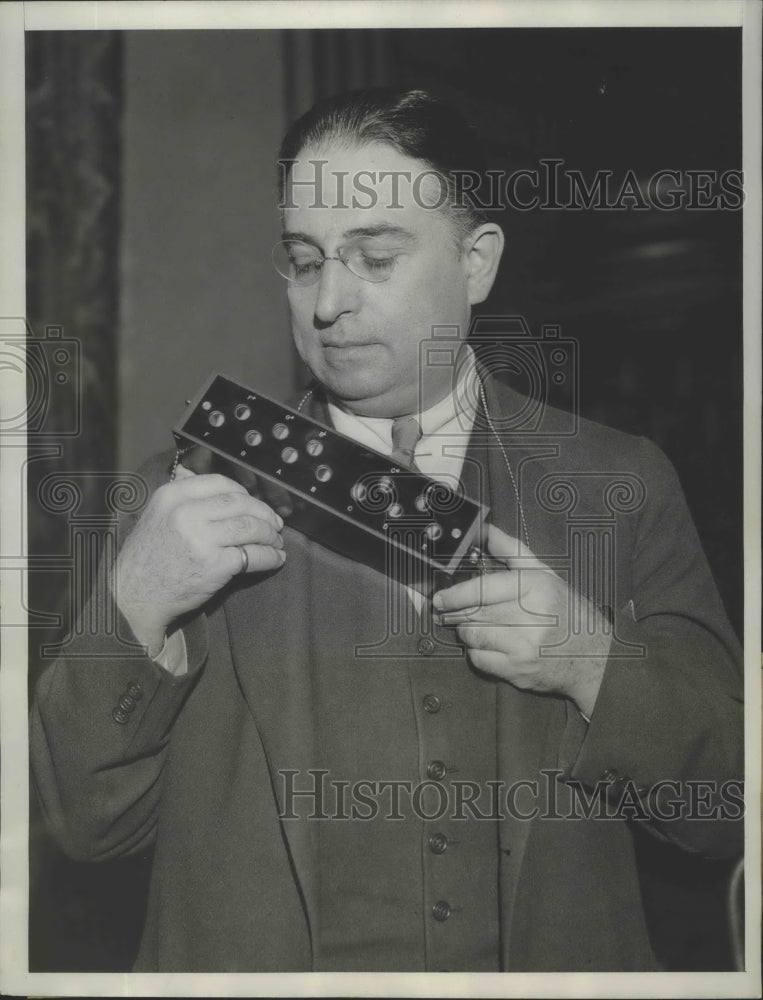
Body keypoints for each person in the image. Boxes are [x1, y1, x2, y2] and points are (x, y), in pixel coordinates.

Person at [30, 88, 743, 973]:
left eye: (374, 257)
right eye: (303, 260)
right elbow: (83, 832)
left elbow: (728, 812)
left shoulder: (618, 482)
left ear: (476, 263)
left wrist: (590, 661)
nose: (328, 303)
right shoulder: (178, 497)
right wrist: (132, 609)